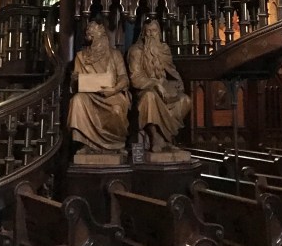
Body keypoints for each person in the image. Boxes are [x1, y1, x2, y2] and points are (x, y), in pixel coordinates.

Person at [128, 19, 190, 152]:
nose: (151, 34)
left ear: (159, 33)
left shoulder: (164, 49)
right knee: (149, 98)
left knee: (185, 100)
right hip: (145, 88)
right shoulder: (136, 51)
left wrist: (178, 84)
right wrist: (155, 83)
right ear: (143, 33)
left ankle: (166, 137)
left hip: (164, 88)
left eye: (154, 31)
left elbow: (171, 70)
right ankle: (154, 136)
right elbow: (135, 78)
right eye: (148, 31)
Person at [67, 20, 130, 153]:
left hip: (111, 94)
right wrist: (75, 79)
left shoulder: (115, 54)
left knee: (116, 110)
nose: (93, 39)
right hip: (89, 95)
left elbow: (124, 78)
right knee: (77, 101)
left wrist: (114, 89)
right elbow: (76, 82)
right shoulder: (81, 56)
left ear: (102, 36)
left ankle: (116, 144)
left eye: (94, 34)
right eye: (89, 34)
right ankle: (86, 143)